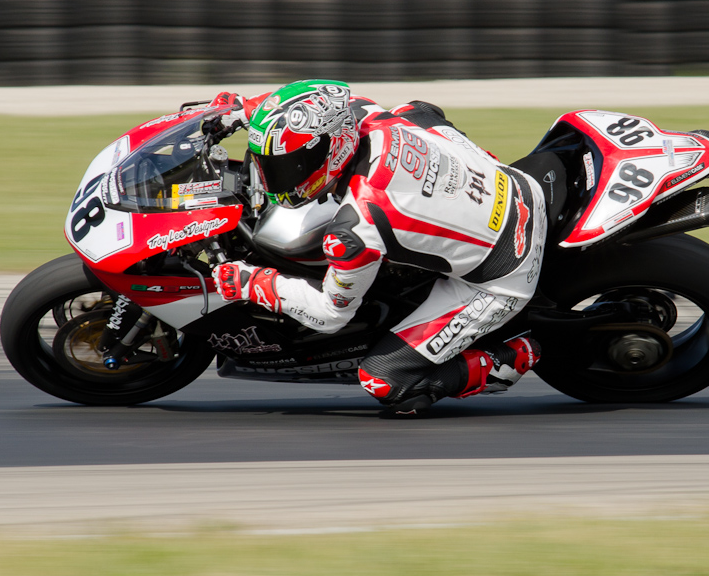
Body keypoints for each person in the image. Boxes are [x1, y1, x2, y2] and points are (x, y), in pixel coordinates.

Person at [209, 80, 545, 416]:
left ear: (331, 150)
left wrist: (254, 283)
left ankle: (509, 358)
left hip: (506, 272)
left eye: (289, 166)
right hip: (512, 185)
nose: (275, 179)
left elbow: (330, 315)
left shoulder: (355, 228)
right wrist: (245, 108)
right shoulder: (360, 114)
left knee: (385, 380)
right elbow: (319, 101)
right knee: (415, 112)